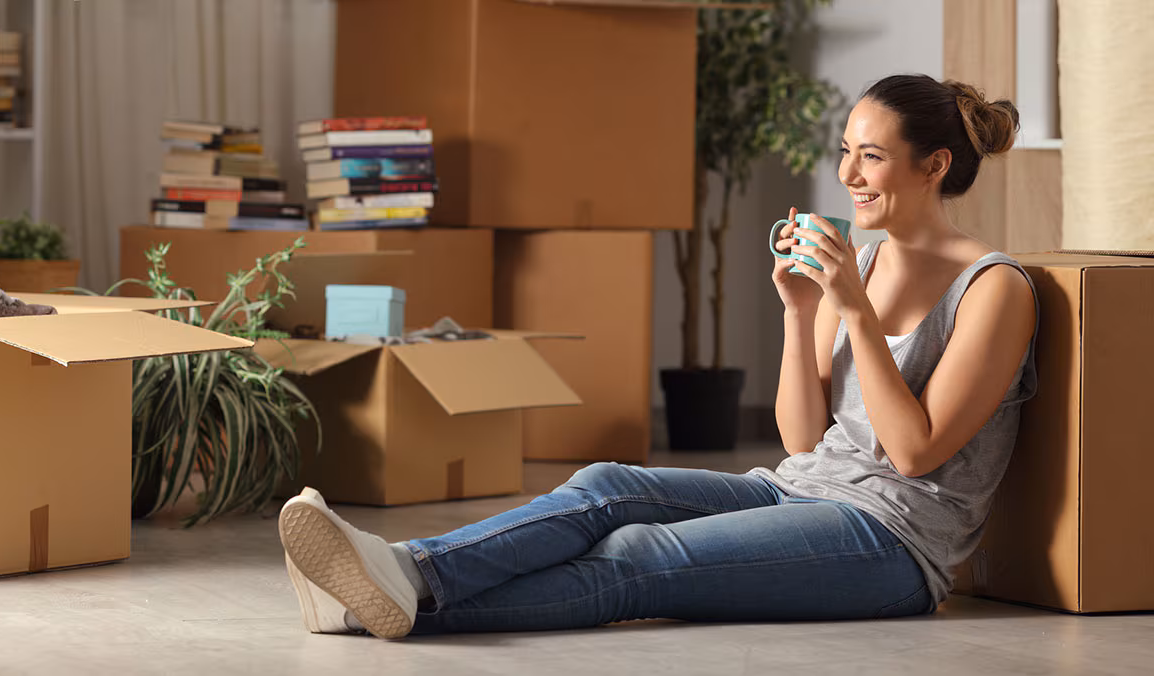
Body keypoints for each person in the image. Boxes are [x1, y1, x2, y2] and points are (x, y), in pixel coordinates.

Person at [276, 73, 1039, 640]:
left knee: (638, 556)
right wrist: (799, 311)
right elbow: (802, 441)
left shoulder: (993, 289)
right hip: (800, 489)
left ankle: (370, 602)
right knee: (608, 486)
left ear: (934, 166)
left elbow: (911, 453)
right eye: (845, 152)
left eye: (870, 157)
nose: (846, 176)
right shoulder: (866, 266)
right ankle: (404, 572)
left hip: (894, 543)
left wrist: (852, 313)